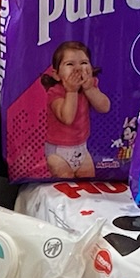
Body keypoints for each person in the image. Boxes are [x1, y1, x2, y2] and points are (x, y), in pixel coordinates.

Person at [40, 41, 110, 179]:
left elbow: (105, 107)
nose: (78, 68)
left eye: (84, 63)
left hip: (81, 149)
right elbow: (67, 118)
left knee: (88, 178)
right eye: (70, 64)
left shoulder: (90, 87)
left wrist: (90, 89)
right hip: (58, 152)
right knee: (65, 178)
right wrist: (71, 91)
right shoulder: (55, 92)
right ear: (56, 74)